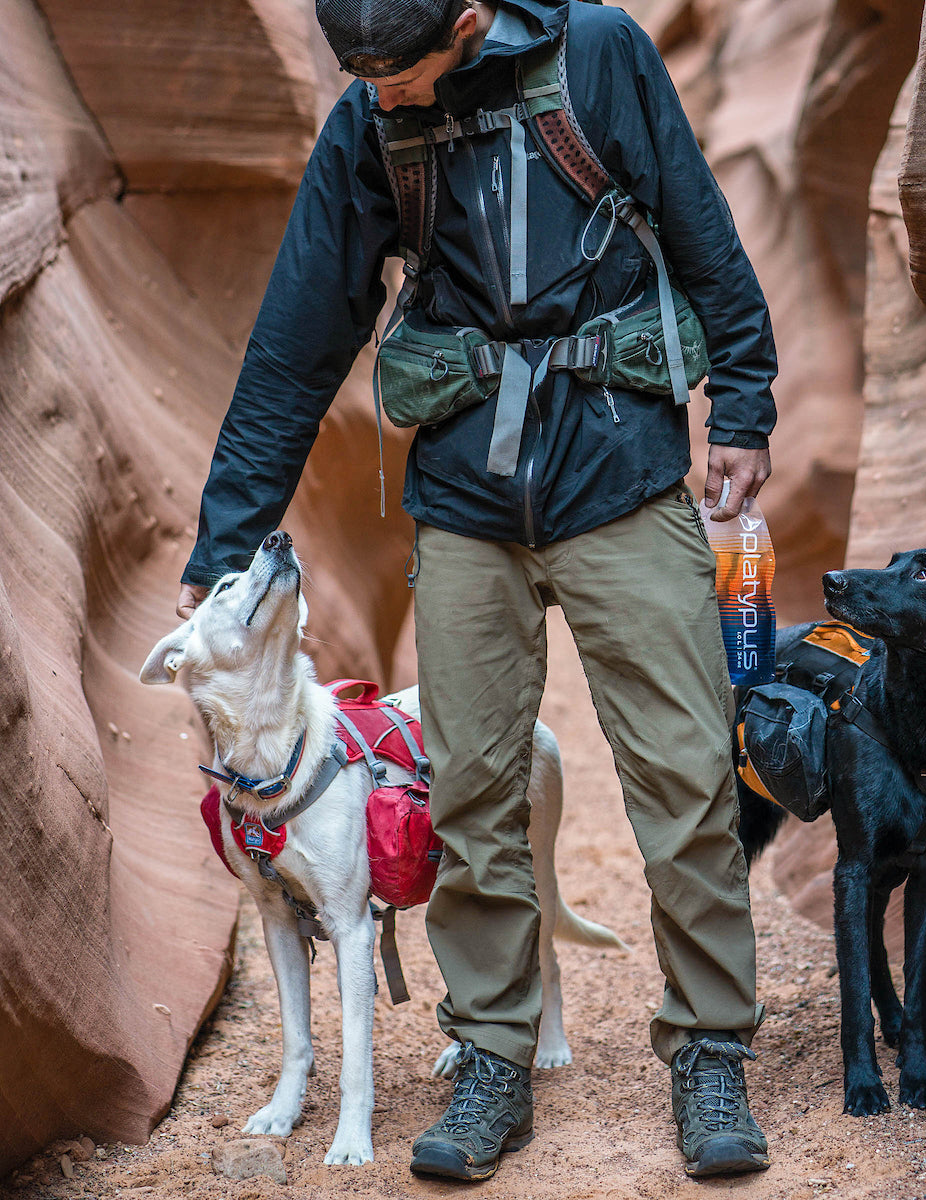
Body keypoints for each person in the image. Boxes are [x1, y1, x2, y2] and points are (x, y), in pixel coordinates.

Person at [177, 0, 777, 1181]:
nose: (374, 94)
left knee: (687, 773)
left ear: (465, 20)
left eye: (394, 73)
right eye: (359, 74)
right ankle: (493, 1049)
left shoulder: (596, 53)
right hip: (464, 494)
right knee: (468, 794)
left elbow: (702, 232)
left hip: (622, 468)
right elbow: (295, 347)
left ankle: (710, 1048)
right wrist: (224, 545)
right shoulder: (371, 120)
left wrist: (743, 402)